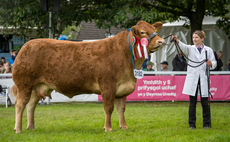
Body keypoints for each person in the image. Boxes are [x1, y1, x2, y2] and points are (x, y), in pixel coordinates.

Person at [172, 30, 217, 129]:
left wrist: (211, 63)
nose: (194, 39)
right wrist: (177, 40)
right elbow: (183, 46)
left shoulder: (208, 50)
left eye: (197, 37)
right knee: (192, 103)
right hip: (193, 78)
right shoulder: (190, 48)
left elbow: (214, 62)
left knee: (205, 102)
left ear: (202, 39)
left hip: (203, 77)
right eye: (193, 37)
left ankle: (206, 124)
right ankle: (192, 124)